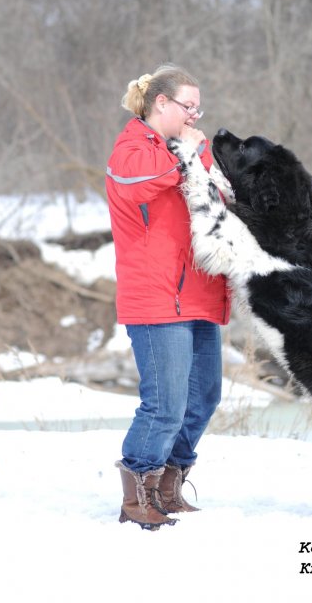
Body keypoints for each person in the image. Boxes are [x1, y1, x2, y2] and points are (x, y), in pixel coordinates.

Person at [106, 63, 230, 529]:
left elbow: (220, 201)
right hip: (158, 299)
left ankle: (168, 486)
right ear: (162, 104)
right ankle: (138, 491)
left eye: (199, 108)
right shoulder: (132, 148)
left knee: (204, 398)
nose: (195, 116)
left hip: (199, 292)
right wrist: (188, 155)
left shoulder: (190, 150)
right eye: (188, 106)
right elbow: (138, 182)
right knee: (166, 403)